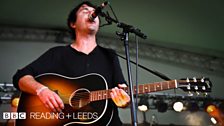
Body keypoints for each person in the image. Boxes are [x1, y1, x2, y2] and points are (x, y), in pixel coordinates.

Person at [13, 1, 130, 126]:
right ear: (73, 24)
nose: (92, 13)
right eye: (85, 10)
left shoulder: (110, 55)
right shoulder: (57, 53)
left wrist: (125, 101)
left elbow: (122, 89)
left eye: (94, 11)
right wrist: (41, 90)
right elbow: (20, 77)